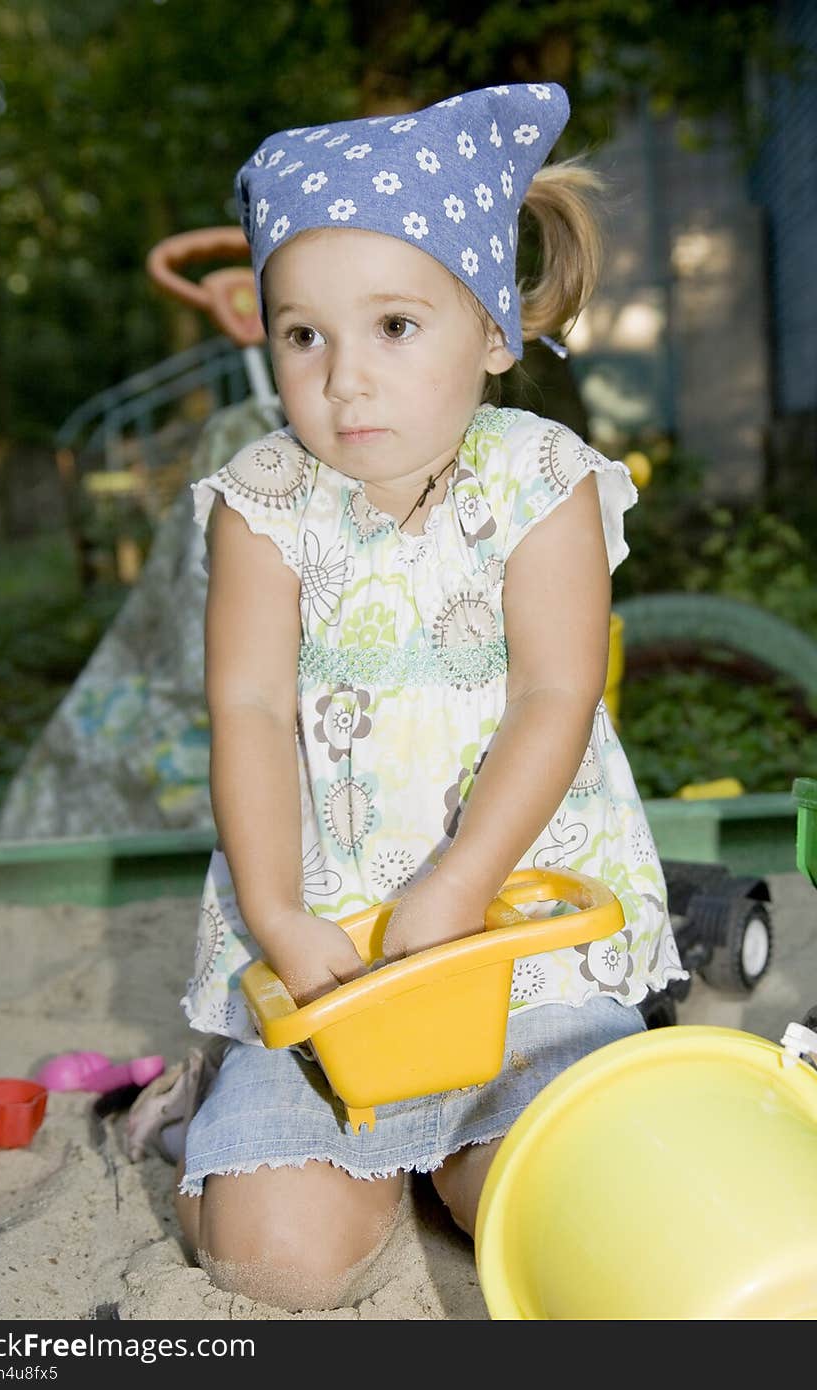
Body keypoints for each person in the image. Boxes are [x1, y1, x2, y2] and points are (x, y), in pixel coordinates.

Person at [174, 81, 687, 1312]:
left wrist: (458, 884)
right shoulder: (266, 500)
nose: (345, 381)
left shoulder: (540, 481)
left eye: (394, 326)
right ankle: (230, 1130)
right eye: (305, 336)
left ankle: (462, 1151)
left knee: (590, 1199)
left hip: (512, 945)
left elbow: (558, 692)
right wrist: (279, 916)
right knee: (269, 1260)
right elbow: (245, 709)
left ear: (492, 330)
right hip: (332, 954)